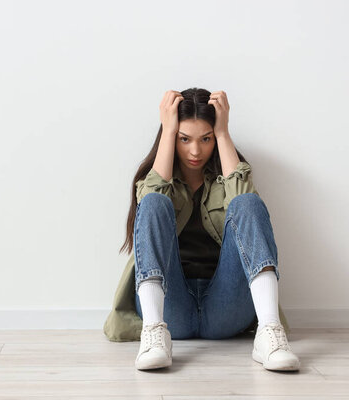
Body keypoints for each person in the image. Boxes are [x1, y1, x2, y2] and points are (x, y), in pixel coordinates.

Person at [112, 88, 300, 372]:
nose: (195, 151)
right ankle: (153, 335)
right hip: (169, 309)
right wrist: (167, 130)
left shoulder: (225, 175)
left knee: (247, 202)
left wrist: (224, 133)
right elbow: (148, 198)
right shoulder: (163, 178)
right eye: (184, 139)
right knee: (153, 201)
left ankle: (269, 334)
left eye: (206, 139)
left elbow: (245, 199)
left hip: (226, 307)